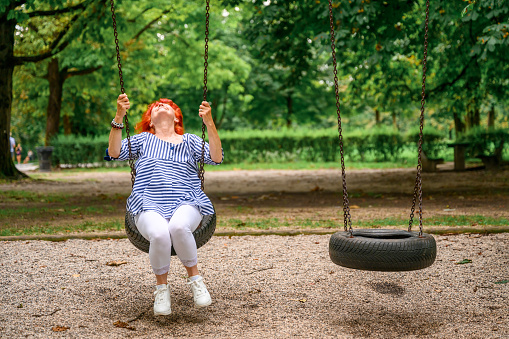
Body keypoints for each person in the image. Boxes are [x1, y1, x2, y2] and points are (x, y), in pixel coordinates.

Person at [105, 94, 223, 316]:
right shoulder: (143, 140)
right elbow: (114, 152)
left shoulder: (190, 141)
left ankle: (196, 281)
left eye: (168, 105)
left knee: (178, 227)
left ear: (176, 118)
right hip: (148, 203)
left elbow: (216, 157)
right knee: (160, 234)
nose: (161, 105)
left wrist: (209, 122)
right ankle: (162, 289)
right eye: (156, 106)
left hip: (187, 201)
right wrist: (119, 115)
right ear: (150, 121)